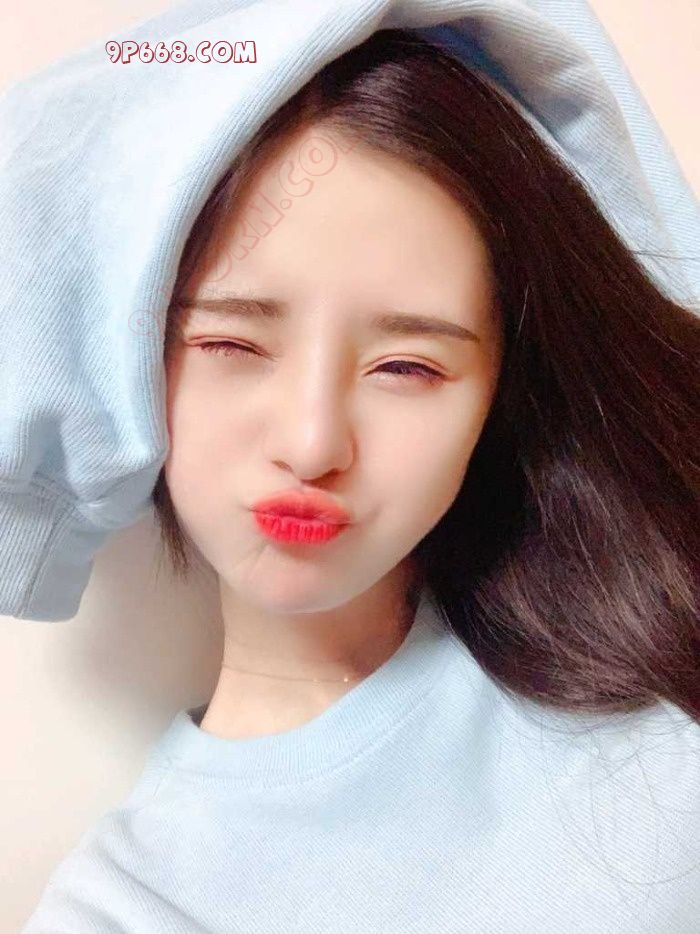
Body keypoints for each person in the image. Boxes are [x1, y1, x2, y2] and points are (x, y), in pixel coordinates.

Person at [17, 18, 700, 934]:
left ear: (500, 389)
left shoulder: (663, 655)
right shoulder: (131, 908)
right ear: (127, 362)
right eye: (231, 344)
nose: (312, 445)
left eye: (407, 367)